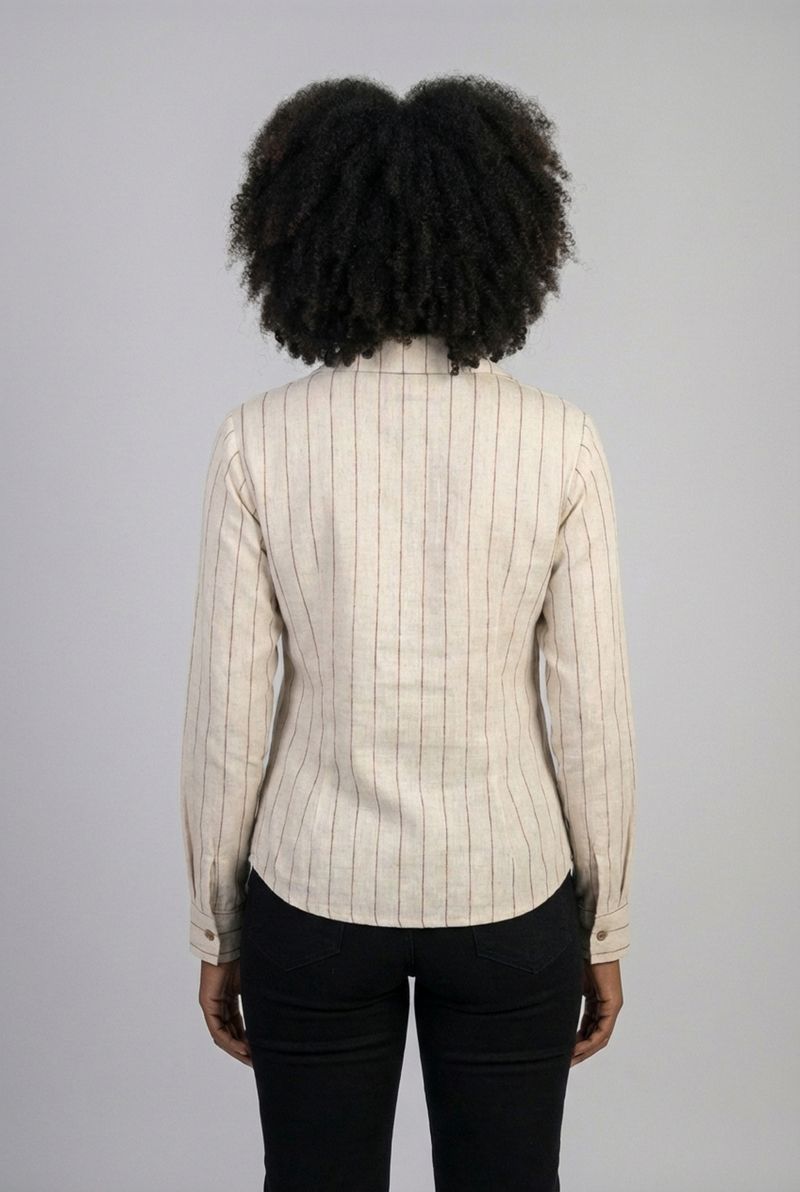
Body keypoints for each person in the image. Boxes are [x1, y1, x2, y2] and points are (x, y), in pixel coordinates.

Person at [179, 73, 638, 1192]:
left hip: (311, 898)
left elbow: (228, 716)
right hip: (510, 893)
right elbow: (592, 712)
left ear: (302, 240)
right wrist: (606, 921)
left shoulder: (257, 442)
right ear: (508, 236)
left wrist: (216, 926)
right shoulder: (561, 442)